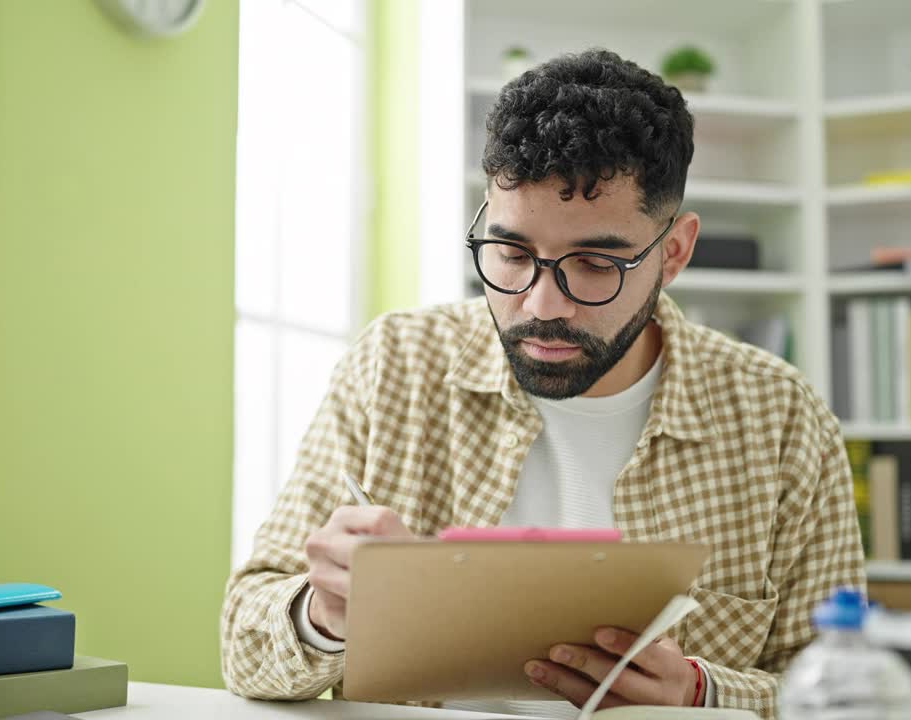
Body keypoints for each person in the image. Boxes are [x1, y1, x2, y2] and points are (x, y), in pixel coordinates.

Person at [220, 48, 865, 720]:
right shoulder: (395, 365)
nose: (540, 305)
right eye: (512, 253)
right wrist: (324, 614)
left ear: (673, 252)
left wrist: (701, 692)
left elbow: (843, 692)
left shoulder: (781, 419)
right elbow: (243, 644)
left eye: (592, 264)